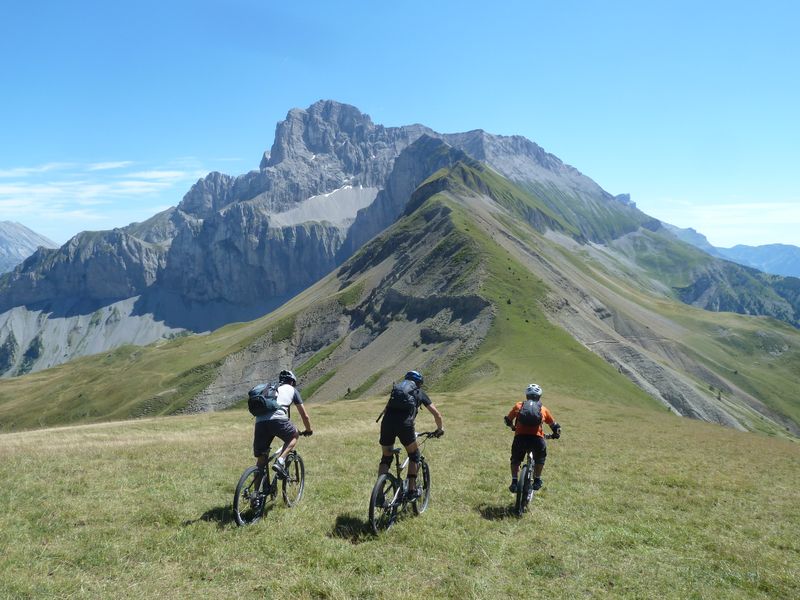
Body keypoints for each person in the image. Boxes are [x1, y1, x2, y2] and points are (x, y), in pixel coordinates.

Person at [378, 370, 444, 500]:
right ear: (419, 383)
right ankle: (412, 490)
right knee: (414, 455)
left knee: (386, 458)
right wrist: (440, 429)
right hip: (405, 425)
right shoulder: (419, 392)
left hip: (387, 423)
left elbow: (386, 410)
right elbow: (437, 414)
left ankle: (379, 493)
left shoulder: (396, 391)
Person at [253, 369, 312, 482]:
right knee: (294, 435)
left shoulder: (271, 389)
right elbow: (305, 416)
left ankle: (256, 497)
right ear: (292, 382)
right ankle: (280, 460)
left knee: (261, 461)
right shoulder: (292, 390)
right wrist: (308, 429)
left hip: (259, 423)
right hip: (278, 420)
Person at [504, 383, 561, 493]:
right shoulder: (543, 409)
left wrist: (513, 427)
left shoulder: (518, 406)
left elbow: (507, 420)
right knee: (540, 458)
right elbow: (555, 426)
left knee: (515, 459)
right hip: (537, 440)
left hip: (520, 438)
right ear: (539, 396)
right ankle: (537, 480)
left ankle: (514, 482)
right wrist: (555, 435)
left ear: (527, 396)